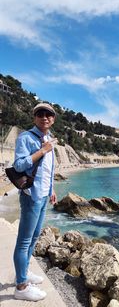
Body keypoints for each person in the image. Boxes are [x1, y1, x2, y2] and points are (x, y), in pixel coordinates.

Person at [13, 102, 58, 301]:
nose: (44, 117)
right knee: (23, 241)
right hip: (31, 195)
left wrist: (52, 189)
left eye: (48, 114)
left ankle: (24, 272)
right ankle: (21, 287)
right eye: (40, 114)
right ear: (34, 118)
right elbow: (19, 164)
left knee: (33, 238)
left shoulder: (48, 139)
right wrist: (42, 151)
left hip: (43, 195)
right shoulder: (26, 137)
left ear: (53, 119)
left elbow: (48, 170)